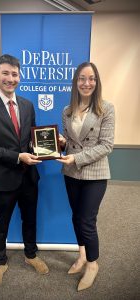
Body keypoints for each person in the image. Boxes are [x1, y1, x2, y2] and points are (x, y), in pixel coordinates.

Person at [0, 54, 49, 288]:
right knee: (2, 221)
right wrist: (18, 157)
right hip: (2, 177)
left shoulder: (27, 104)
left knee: (30, 218)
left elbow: (32, 139)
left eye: (14, 74)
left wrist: (52, 145)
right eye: (5, 73)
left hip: (28, 177)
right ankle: (0, 262)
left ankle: (31, 255)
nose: (10, 78)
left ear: (19, 76)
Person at [57, 62, 115, 291]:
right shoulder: (67, 110)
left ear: (96, 81)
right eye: (82, 78)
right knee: (75, 216)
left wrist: (76, 158)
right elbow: (69, 141)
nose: (86, 83)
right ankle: (81, 254)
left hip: (95, 173)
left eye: (91, 78)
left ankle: (92, 264)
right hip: (71, 172)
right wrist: (62, 143)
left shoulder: (106, 108)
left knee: (87, 221)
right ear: (76, 82)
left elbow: (107, 146)